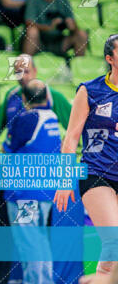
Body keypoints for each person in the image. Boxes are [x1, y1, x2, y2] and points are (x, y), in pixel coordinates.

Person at [54, 34, 118, 281]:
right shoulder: (90, 90)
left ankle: (91, 279)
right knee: (113, 238)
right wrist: (64, 180)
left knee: (112, 258)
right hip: (96, 174)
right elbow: (70, 139)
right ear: (109, 59)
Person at [3, 79, 62, 284]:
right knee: (40, 242)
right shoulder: (53, 118)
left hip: (24, 194)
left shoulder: (27, 119)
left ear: (24, 99)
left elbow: (7, 148)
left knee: (29, 244)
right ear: (47, 97)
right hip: (45, 192)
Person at [0, 54, 72, 152]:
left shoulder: (52, 96)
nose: (22, 77)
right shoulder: (11, 95)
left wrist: (62, 150)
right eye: (18, 72)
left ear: (35, 71)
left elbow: (75, 126)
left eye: (26, 71)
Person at [23, 0, 88, 57]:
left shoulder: (63, 0)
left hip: (59, 41)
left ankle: (78, 67)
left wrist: (72, 26)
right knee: (32, 31)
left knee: (82, 34)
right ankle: (25, 66)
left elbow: (73, 26)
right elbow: (28, 23)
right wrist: (50, 27)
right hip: (39, 41)